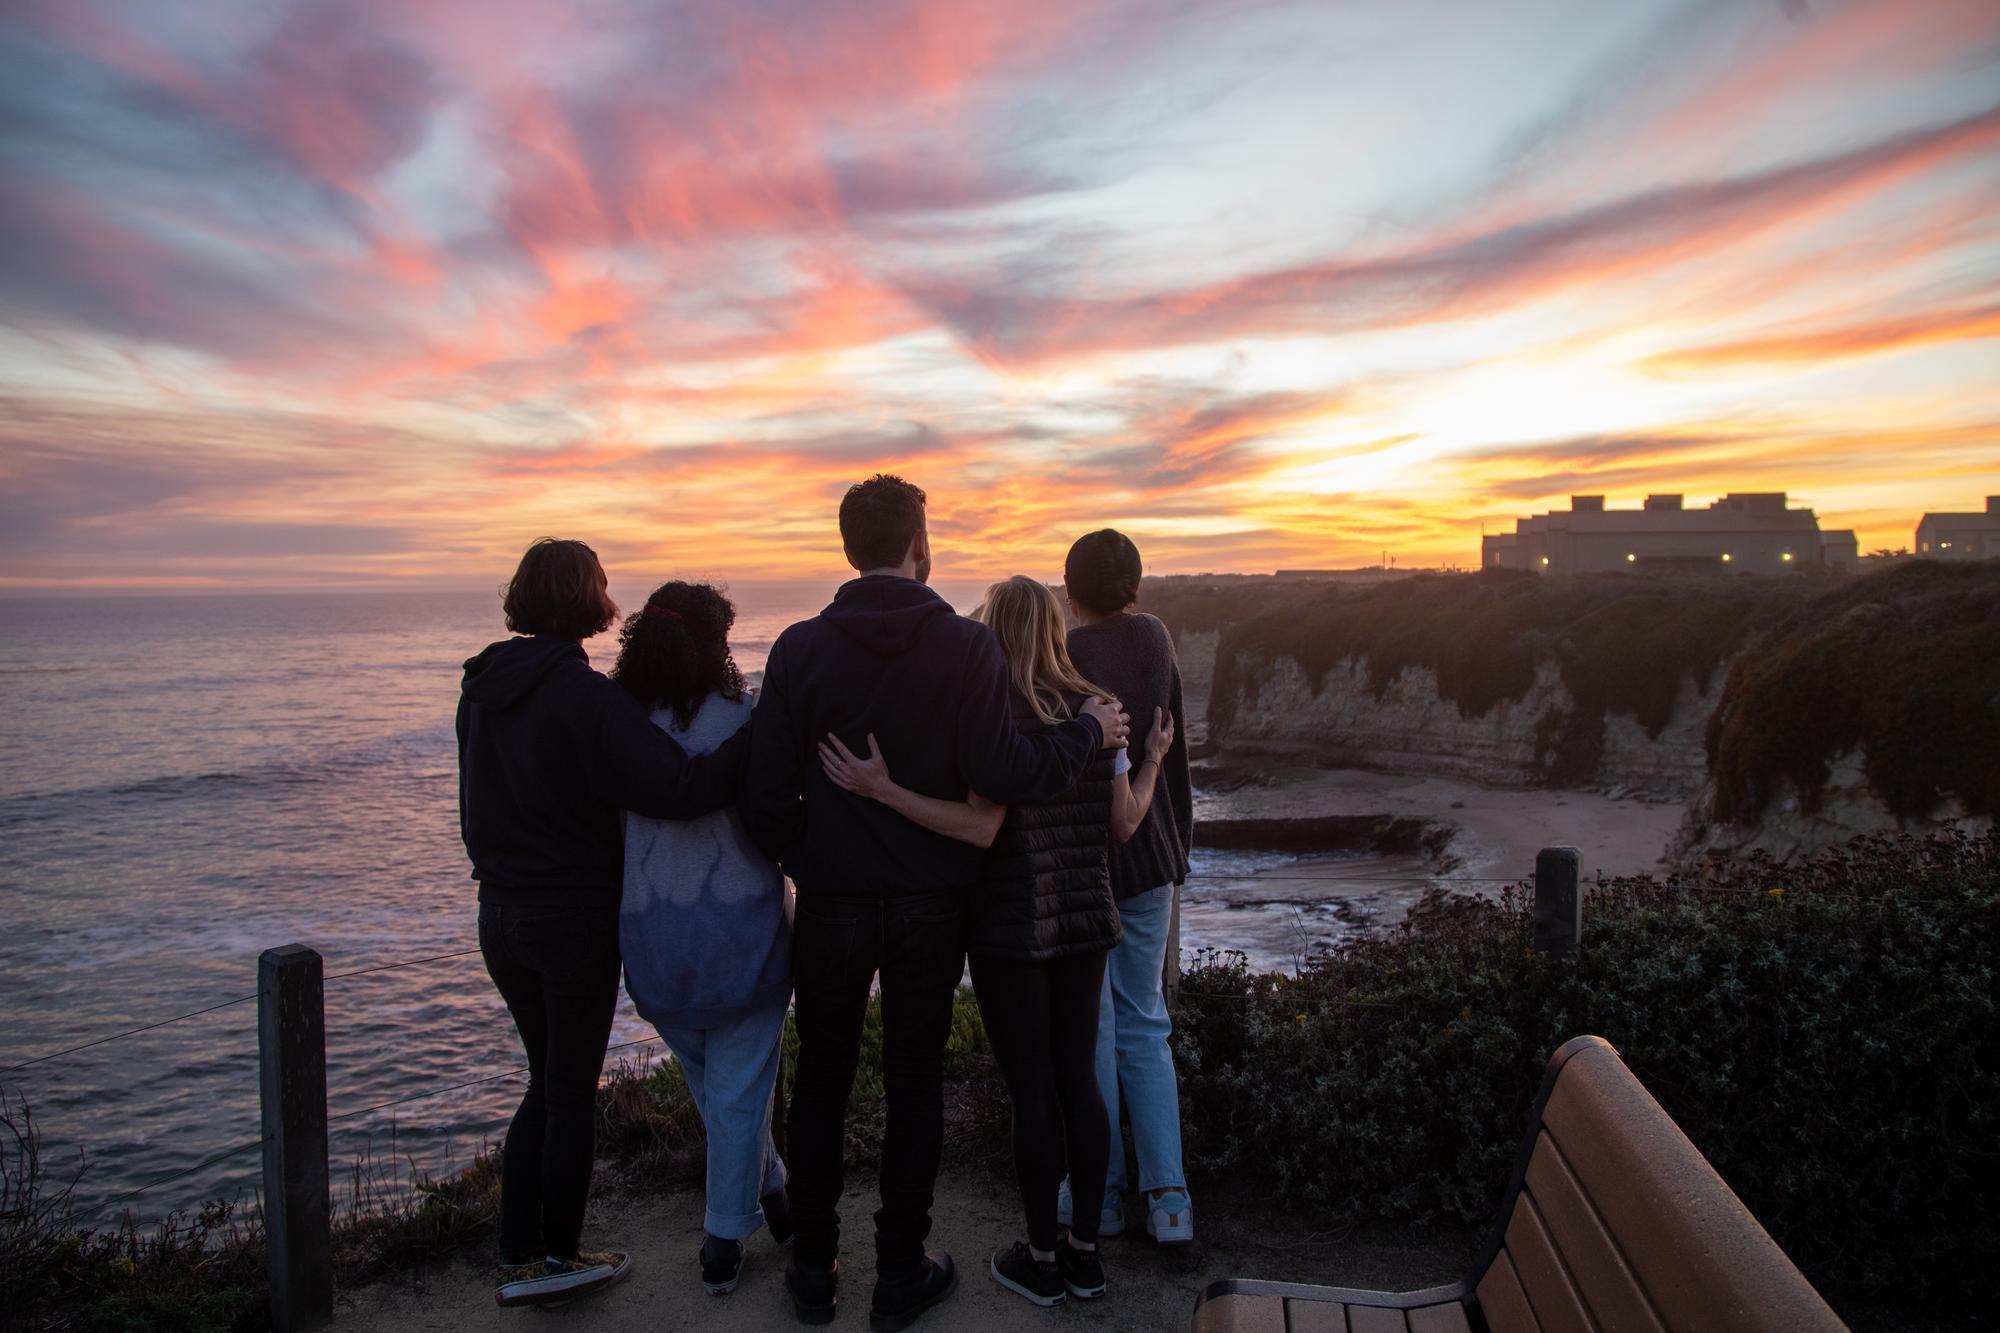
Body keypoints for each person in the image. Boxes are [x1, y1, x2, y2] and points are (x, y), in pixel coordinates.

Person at [740, 476, 1129, 1330]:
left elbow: (764, 799)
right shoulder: (965, 646)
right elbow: (1004, 773)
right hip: (931, 903)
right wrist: (1085, 732)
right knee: (913, 1084)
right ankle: (899, 1272)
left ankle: (813, 1270)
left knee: (822, 1082)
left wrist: (811, 852)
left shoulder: (799, 650)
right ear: (921, 546)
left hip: (834, 901)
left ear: (850, 548)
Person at [818, 575, 1176, 1308]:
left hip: (1009, 926)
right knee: (1079, 1081)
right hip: (1087, 918)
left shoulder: (991, 714)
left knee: (1031, 1090)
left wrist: (884, 790)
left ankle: (1040, 1259)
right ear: (1055, 629)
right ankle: (1085, 1255)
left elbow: (978, 826)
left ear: (990, 629)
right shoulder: (1101, 709)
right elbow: (1124, 824)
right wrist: (1153, 760)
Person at [458, 538, 750, 1309]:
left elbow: (474, 803)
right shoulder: (583, 696)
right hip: (571, 918)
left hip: (499, 912)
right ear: (590, 599)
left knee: (545, 1080)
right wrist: (755, 737)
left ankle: (519, 1251)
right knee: (569, 1090)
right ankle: (557, 1254)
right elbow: (679, 785)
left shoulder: (480, 688)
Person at [610, 581, 793, 1298]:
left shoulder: (623, 728)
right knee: (739, 1092)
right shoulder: (744, 719)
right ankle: (723, 1239)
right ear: (717, 644)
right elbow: (776, 813)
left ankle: (774, 1193)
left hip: (651, 938)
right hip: (740, 933)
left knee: (722, 1092)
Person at [1058, 529, 1197, 1246]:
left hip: (1086, 869)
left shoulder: (1066, 655)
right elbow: (1176, 752)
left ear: (1070, 590)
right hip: (1150, 858)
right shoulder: (1154, 638)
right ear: (1134, 586)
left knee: (1096, 1030)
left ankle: (1102, 1196)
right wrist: (1178, 845)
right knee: (1146, 1020)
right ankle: (1170, 1200)